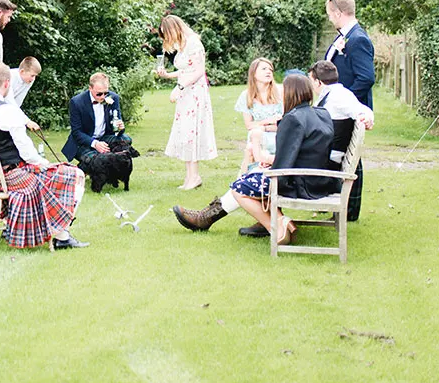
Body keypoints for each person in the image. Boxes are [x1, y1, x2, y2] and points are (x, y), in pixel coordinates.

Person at [174, 73, 335, 245]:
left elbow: (285, 163)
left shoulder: (293, 119)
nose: (281, 93)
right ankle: (207, 217)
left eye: (284, 90)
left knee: (239, 187)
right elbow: (303, 152)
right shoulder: (321, 113)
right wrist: (271, 161)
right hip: (320, 180)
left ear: (291, 93)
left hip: (300, 184)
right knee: (252, 177)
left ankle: (277, 226)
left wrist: (267, 164)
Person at [0, 63, 88, 249]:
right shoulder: (6, 110)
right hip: (12, 177)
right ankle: (62, 236)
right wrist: (44, 163)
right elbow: (26, 152)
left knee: (52, 172)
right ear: (7, 84)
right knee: (75, 174)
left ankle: (13, 226)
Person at [156, 15, 217, 190]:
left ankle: (195, 176)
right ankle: (190, 176)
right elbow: (186, 70)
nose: (168, 39)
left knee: (192, 133)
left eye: (167, 35)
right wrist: (168, 75)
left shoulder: (193, 43)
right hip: (186, 93)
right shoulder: (182, 45)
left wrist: (179, 87)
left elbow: (198, 71)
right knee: (185, 134)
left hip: (195, 93)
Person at [309, 59, 372, 221]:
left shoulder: (339, 97)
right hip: (328, 155)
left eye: (311, 80)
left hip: (328, 163)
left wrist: (366, 117)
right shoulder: (331, 94)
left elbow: (361, 110)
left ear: (318, 82)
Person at [63, 72, 130, 165]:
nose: (103, 97)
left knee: (126, 139)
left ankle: (112, 167)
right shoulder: (77, 102)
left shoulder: (113, 98)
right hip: (84, 141)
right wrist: (95, 144)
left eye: (105, 93)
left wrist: (120, 128)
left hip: (104, 137)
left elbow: (116, 126)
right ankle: (84, 167)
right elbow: (76, 132)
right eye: (99, 94)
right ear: (90, 88)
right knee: (96, 160)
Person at [324, 0, 375, 108]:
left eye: (330, 15)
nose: (330, 19)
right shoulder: (344, 36)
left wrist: (345, 103)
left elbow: (366, 78)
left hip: (350, 113)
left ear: (337, 14)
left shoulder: (358, 39)